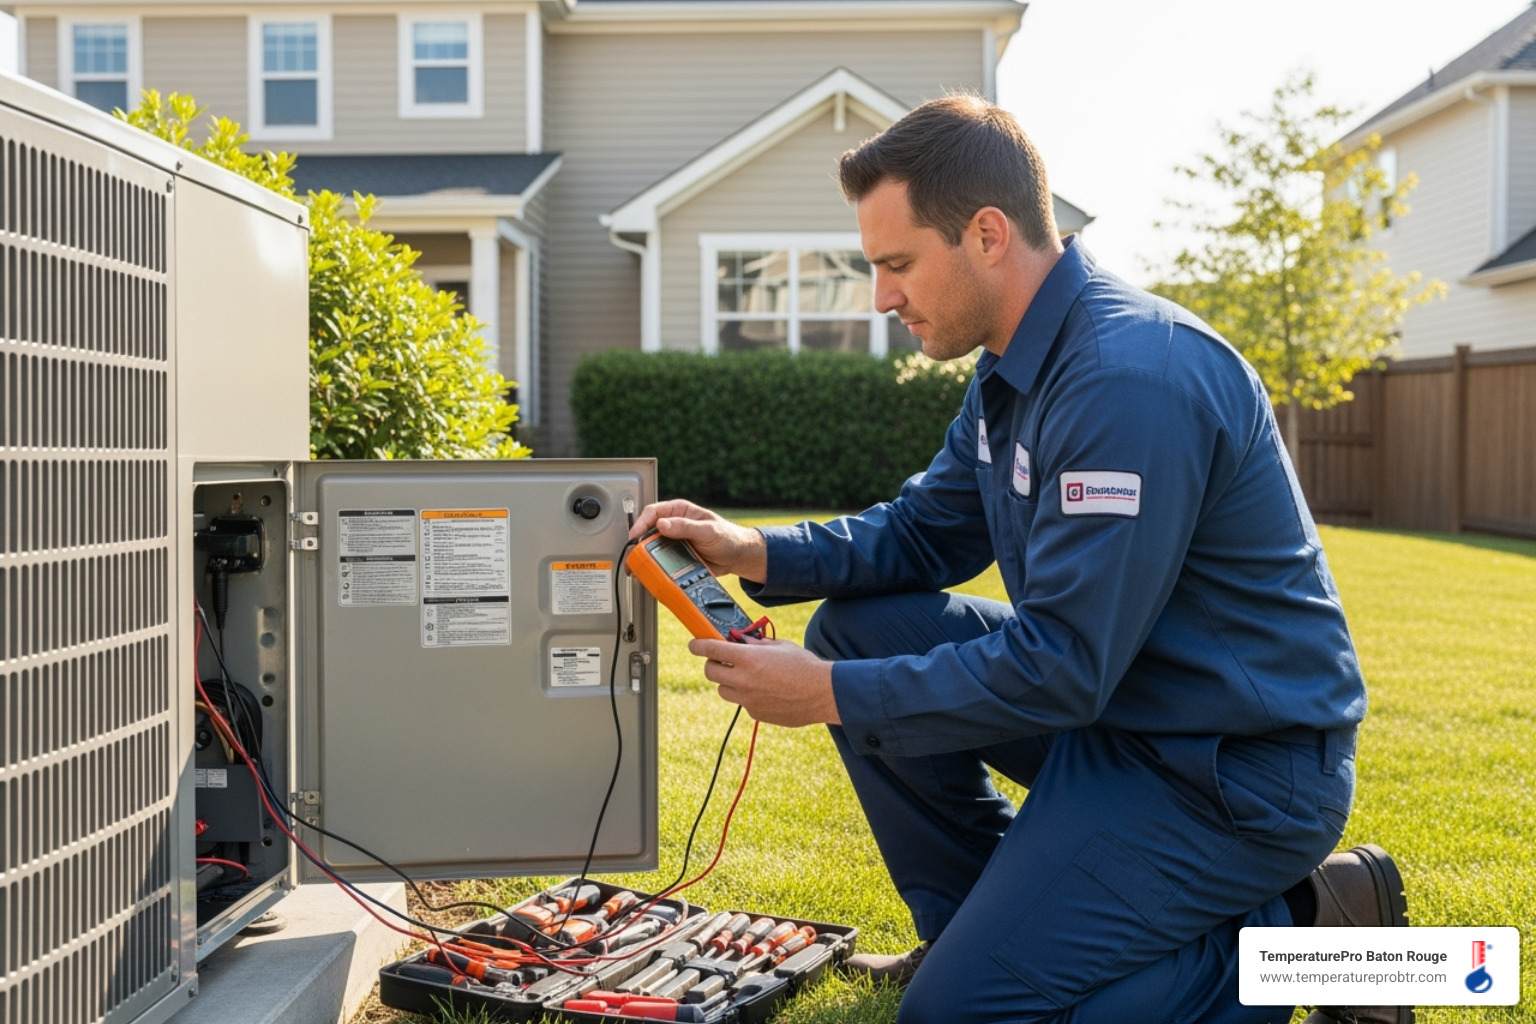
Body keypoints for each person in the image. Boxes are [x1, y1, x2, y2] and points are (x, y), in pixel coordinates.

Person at [629, 95, 1408, 1024]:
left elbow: (1063, 667)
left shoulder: (1129, 382)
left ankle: (1324, 933)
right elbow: (924, 532)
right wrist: (751, 547)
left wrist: (827, 694)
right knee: (859, 630)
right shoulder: (1014, 369)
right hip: (1127, 718)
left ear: (988, 235)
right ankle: (962, 932)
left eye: (897, 264)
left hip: (1233, 770)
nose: (882, 297)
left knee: (959, 1018)